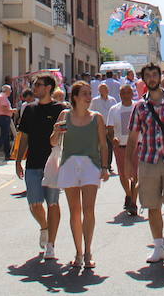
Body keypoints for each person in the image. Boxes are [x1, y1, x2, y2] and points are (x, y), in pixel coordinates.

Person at [126, 63, 164, 264]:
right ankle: (159, 246)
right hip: (148, 159)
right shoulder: (139, 107)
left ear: (160, 77)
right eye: (148, 76)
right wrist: (129, 163)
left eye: (155, 74)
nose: (152, 78)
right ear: (144, 80)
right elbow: (133, 135)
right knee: (152, 205)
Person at [51, 81, 111, 270]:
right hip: (69, 164)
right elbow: (53, 141)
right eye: (84, 93)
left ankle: (88, 252)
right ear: (75, 97)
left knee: (89, 210)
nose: (88, 97)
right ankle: (78, 252)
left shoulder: (97, 118)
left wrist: (104, 167)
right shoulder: (64, 115)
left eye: (89, 93)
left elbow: (103, 144)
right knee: (74, 211)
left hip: (90, 165)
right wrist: (56, 131)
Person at [15, 74, 67, 261]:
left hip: (53, 164)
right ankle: (45, 227)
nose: (34, 88)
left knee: (53, 203)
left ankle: (51, 245)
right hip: (33, 163)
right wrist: (18, 160)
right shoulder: (29, 110)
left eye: (38, 85)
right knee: (34, 203)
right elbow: (24, 137)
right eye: (34, 85)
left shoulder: (61, 109)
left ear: (49, 88)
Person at [106, 84, 138, 216]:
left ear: (132, 94)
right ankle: (129, 195)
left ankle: (134, 203)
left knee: (136, 174)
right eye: (123, 93)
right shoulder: (114, 109)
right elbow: (109, 128)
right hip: (121, 147)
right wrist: (113, 138)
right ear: (119, 95)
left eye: (128, 93)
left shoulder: (138, 107)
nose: (125, 95)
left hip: (137, 146)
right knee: (124, 174)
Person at [0, 84, 15, 163]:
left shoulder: (3, 97)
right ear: (6, 90)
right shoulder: (2, 97)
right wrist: (12, 111)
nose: (11, 92)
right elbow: (3, 107)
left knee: (6, 137)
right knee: (4, 136)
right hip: (4, 117)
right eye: (10, 90)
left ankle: (7, 154)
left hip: (5, 117)